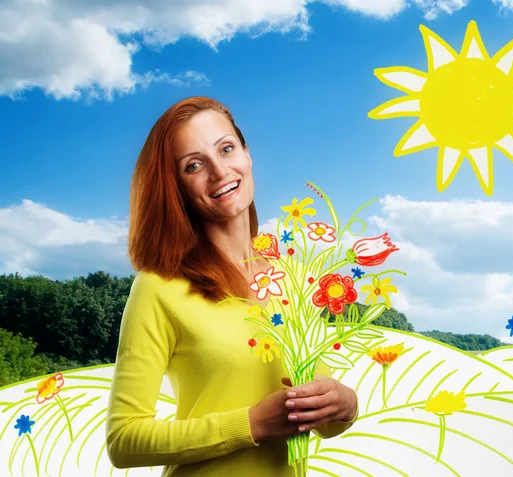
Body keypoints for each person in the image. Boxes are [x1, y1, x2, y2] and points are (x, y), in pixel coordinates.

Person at [105, 96, 359, 477]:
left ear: (247, 154)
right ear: (176, 188)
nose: (220, 171)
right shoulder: (159, 286)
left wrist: (345, 404)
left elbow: (320, 417)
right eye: (194, 165)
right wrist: (252, 424)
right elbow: (123, 441)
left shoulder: (290, 277)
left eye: (226, 148)